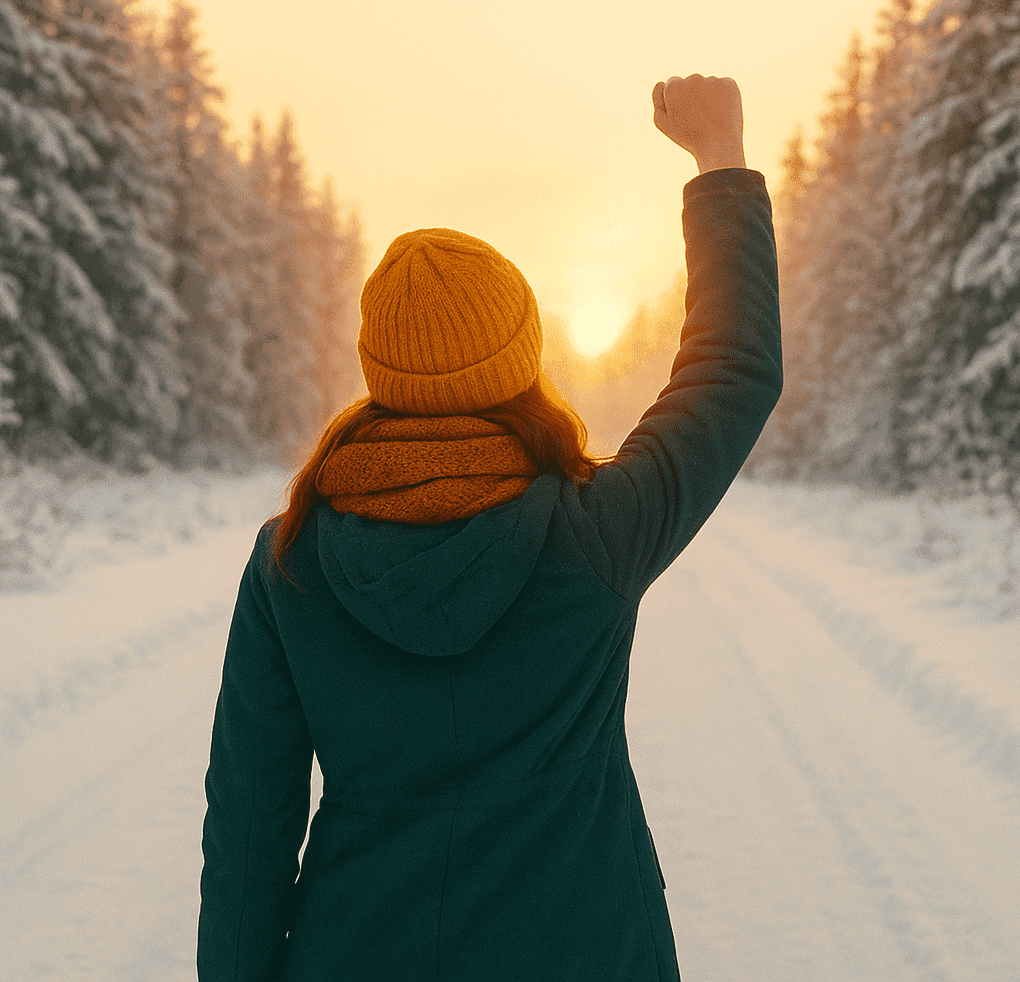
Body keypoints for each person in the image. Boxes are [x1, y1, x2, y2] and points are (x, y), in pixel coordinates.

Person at [198, 74, 782, 982]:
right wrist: (720, 163)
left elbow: (248, 833)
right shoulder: (595, 533)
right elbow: (733, 374)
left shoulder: (291, 561)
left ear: (378, 370)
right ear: (521, 360)